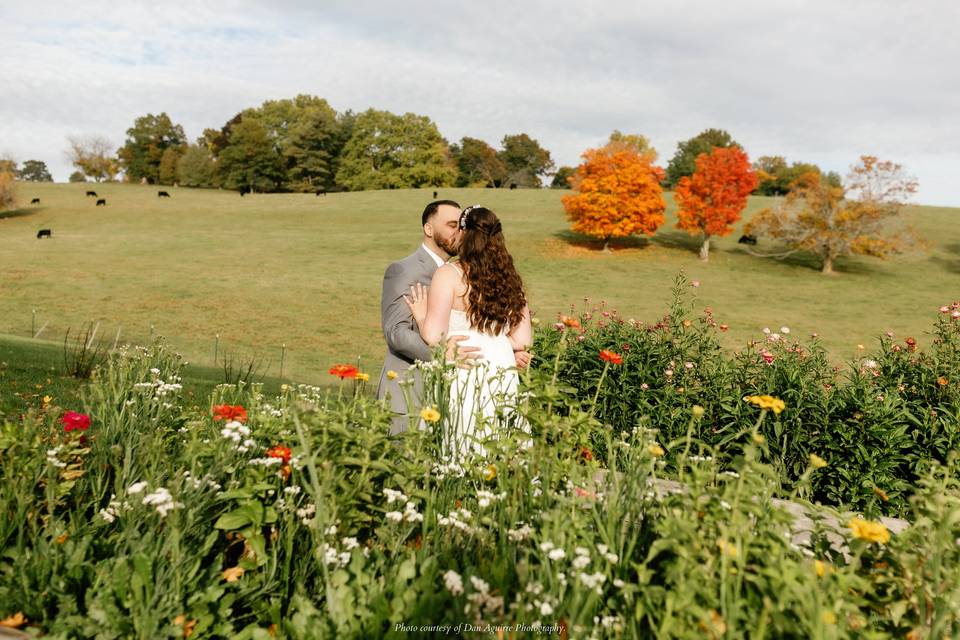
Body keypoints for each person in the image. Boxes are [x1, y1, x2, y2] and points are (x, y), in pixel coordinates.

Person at [404, 205, 532, 457]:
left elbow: (432, 335)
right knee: (499, 440)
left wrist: (420, 315)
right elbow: (523, 339)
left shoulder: (449, 274)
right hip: (501, 369)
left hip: (465, 366)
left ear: (464, 234)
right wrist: (501, 344)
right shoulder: (510, 279)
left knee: (461, 437)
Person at [379, 200, 514, 434]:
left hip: (461, 396)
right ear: (429, 229)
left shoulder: (468, 272)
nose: (460, 230)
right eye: (452, 224)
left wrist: (507, 350)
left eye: (461, 224)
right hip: (412, 393)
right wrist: (443, 355)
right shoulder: (404, 270)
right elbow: (396, 333)